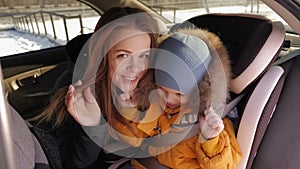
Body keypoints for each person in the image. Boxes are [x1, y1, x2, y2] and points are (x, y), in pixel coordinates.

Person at [66, 27, 242, 168]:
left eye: (179, 94)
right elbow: (136, 140)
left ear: (198, 91)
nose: (169, 99)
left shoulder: (211, 122)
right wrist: (129, 113)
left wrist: (210, 140)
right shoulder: (156, 105)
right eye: (161, 89)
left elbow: (226, 165)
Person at [32, 6, 159, 169]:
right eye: (123, 55)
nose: (135, 67)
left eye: (144, 55)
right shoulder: (78, 98)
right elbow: (72, 164)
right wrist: (92, 127)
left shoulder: (165, 92)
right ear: (102, 56)